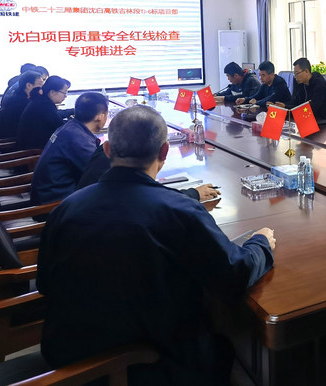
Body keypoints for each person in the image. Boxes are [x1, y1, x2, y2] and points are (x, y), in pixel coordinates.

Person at [37, 105, 275, 384]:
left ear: (107, 150)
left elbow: (44, 284)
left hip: (66, 358)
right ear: (164, 152)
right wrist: (261, 242)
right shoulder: (180, 212)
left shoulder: (66, 208)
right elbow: (236, 273)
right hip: (143, 365)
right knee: (221, 345)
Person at [29, 92, 109, 206]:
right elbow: (102, 174)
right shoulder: (79, 139)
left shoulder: (71, 128)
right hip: (55, 203)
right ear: (100, 116)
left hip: (49, 194)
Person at [76, 143, 221, 202]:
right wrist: (193, 194)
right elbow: (151, 198)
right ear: (164, 152)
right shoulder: (138, 197)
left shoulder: (69, 207)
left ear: (107, 148)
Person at [16, 75, 74, 150]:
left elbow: (56, 117)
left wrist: (72, 113)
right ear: (52, 92)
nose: (65, 96)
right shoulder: (44, 105)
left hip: (35, 146)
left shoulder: (41, 100)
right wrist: (76, 121)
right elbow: (60, 126)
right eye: (64, 93)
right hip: (34, 152)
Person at [0, 70, 44, 139]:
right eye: (40, 85)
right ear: (29, 85)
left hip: (14, 136)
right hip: (9, 142)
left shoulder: (19, 95)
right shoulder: (21, 103)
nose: (42, 89)